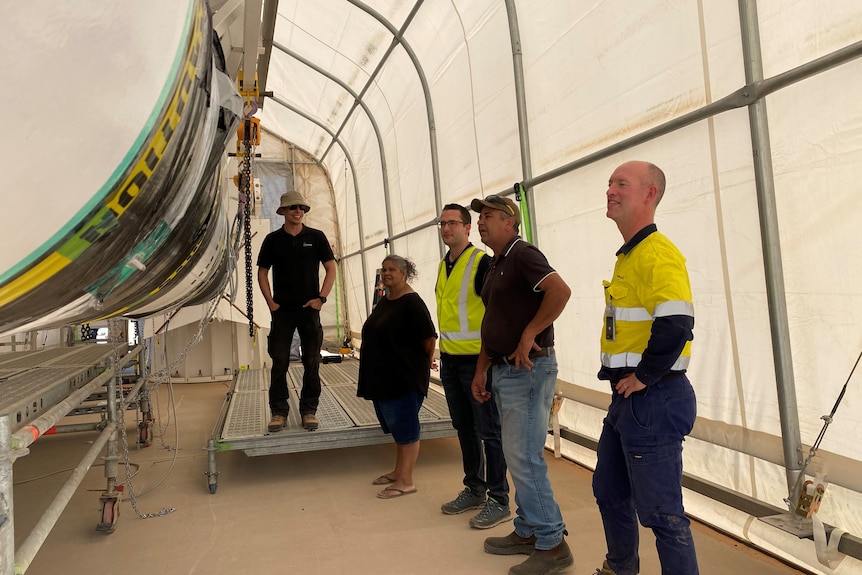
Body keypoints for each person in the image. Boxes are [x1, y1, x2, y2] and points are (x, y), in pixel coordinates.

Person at [592, 161, 698, 575]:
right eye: (609, 184)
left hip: (653, 399)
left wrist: (645, 376)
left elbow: (677, 324)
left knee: (662, 513)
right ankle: (620, 568)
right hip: (629, 400)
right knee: (610, 492)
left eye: (621, 184)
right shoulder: (631, 255)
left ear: (649, 194)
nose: (610, 190)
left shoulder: (657, 254)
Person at [469, 195, 574, 575]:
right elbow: (494, 320)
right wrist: (482, 368)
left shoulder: (523, 253)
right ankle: (528, 529)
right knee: (518, 456)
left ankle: (552, 542)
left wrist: (530, 332)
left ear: (509, 221)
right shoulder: (497, 263)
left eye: (488, 216)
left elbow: (559, 291)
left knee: (525, 458)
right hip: (503, 369)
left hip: (527, 369)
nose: (480, 222)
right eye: (479, 217)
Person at [435, 203, 511, 529]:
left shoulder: (481, 262)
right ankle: (474, 488)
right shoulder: (444, 265)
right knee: (464, 429)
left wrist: (488, 359)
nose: (446, 228)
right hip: (451, 361)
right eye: (442, 223)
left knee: (489, 432)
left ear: (467, 228)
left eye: (453, 223)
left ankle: (499, 498)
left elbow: (496, 311)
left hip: (478, 361)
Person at [357, 255, 437, 499]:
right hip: (385, 379)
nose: (387, 273)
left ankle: (406, 481)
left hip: (403, 378)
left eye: (392, 269)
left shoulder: (412, 302)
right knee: (398, 429)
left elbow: (428, 339)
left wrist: (422, 365)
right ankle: (398, 471)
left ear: (405, 273)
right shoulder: (387, 299)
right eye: (384, 270)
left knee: (407, 429)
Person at [257, 190, 336, 432]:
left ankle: (308, 410)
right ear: (283, 211)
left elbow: (331, 268)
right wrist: (271, 303)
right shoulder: (272, 240)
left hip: (309, 310)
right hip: (282, 311)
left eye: (301, 207)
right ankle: (279, 412)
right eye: (292, 208)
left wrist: (321, 298)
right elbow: (262, 272)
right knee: (280, 362)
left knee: (311, 361)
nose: (298, 211)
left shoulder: (317, 237)